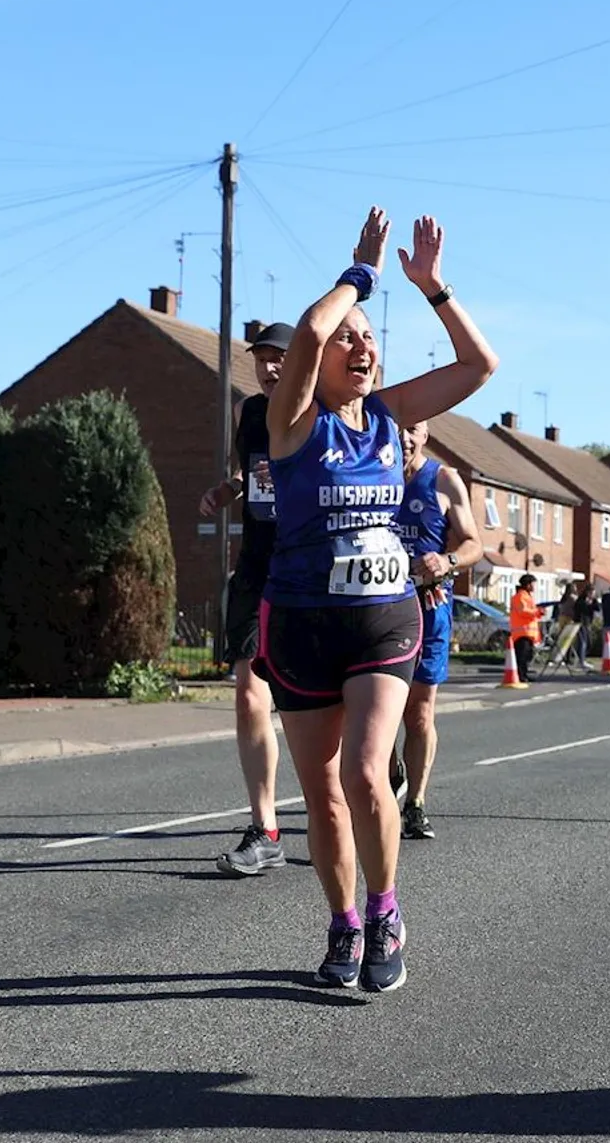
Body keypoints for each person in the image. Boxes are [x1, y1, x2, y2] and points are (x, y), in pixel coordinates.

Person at [257, 207, 499, 994]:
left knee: (366, 773)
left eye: (370, 337)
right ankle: (342, 923)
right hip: (299, 623)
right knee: (322, 794)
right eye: (347, 338)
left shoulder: (394, 419)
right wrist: (355, 277)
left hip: (383, 619)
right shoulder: (292, 424)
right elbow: (302, 333)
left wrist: (432, 288)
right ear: (318, 361)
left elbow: (479, 366)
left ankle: (386, 911)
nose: (361, 346)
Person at [199, 323, 295, 877]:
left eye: (280, 358)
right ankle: (266, 829)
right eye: (261, 360)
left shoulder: (318, 410)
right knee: (249, 694)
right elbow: (247, 472)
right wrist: (225, 490)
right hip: (258, 567)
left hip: (309, 569)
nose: (269, 368)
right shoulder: (247, 413)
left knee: (325, 706)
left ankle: (376, 775)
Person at [388, 419, 482, 841]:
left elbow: (473, 544)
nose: (405, 437)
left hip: (429, 608)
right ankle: (391, 773)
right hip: (379, 609)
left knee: (419, 712)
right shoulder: (369, 473)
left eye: (414, 429)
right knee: (374, 712)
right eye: (397, 428)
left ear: (425, 435)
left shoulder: (444, 480)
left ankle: (416, 804)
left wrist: (446, 562)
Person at [509, 574, 543, 683]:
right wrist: (537, 611)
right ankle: (521, 675)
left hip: (527, 632)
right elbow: (523, 611)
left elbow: (529, 612)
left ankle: (524, 674)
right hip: (522, 632)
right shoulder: (520, 596)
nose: (534, 586)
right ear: (528, 585)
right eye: (533, 584)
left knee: (527, 656)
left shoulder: (527, 596)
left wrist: (538, 612)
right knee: (522, 656)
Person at [572, 580, 601, 668]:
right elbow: (581, 609)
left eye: (593, 593)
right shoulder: (581, 600)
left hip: (588, 623)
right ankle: (581, 661)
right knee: (582, 642)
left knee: (589, 642)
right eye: (591, 593)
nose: (592, 595)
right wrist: (588, 604)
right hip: (580, 623)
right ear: (587, 592)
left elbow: (598, 608)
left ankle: (582, 659)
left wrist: (594, 601)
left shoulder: (593, 600)